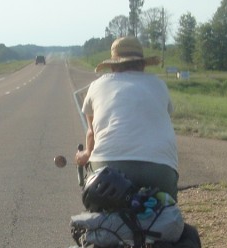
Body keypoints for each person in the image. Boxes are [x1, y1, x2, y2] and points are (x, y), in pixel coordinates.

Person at [75, 36, 179, 200]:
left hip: (108, 165)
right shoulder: (159, 85)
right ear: (143, 64)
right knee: (163, 213)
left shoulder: (97, 86)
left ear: (113, 66)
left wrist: (85, 154)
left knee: (101, 212)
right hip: (159, 167)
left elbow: (91, 134)